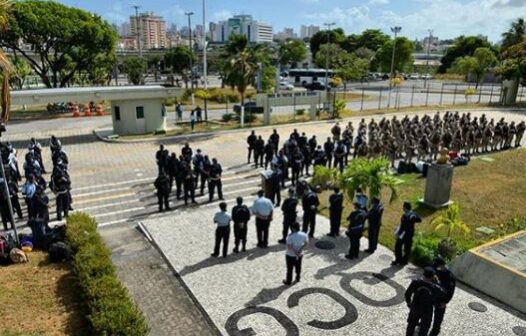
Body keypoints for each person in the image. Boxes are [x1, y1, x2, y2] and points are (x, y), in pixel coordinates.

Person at [405, 267, 445, 336]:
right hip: (427, 310)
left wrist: (409, 303)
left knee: (411, 326)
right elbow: (443, 293)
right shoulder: (435, 288)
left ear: (423, 274)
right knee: (424, 329)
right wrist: (436, 282)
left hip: (415, 307)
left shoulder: (416, 282)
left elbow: (407, 294)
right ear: (433, 277)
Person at [429, 257, 456, 336]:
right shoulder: (435, 270)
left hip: (441, 299)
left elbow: (450, 292)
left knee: (438, 316)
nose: (436, 268)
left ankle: (435, 330)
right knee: (426, 311)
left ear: (443, 266)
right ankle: (424, 323)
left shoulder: (450, 277)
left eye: (438, 266)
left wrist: (445, 301)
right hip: (432, 295)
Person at [392, 202, 422, 266]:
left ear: (405, 207)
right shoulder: (408, 214)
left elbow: (419, 220)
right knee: (403, 247)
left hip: (406, 234)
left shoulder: (409, 215)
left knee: (402, 247)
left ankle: (401, 260)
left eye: (403, 207)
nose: (403, 208)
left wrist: (398, 234)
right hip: (406, 234)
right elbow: (418, 220)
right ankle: (402, 260)